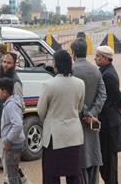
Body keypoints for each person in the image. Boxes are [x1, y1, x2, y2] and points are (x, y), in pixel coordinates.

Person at [38, 50, 85, 184]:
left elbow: (41, 111)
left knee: (51, 175)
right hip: (74, 135)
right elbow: (80, 108)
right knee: (74, 174)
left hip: (54, 137)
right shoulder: (80, 83)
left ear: (56, 65)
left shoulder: (48, 84)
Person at [71, 38, 107, 184]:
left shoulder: (71, 71)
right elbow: (102, 94)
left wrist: (86, 113)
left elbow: (74, 97)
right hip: (93, 124)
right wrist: (93, 113)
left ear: (73, 53)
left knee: (80, 161)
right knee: (93, 157)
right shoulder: (95, 71)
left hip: (77, 122)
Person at [94, 46, 121, 184]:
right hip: (107, 122)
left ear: (106, 59)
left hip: (109, 125)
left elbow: (119, 98)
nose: (95, 58)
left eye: (98, 56)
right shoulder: (104, 71)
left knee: (109, 165)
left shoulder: (108, 75)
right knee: (106, 163)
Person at [0, 77, 25, 184]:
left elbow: (18, 125)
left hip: (12, 146)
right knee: (13, 172)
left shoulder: (11, 105)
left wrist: (8, 140)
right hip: (15, 145)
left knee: (11, 176)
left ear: (4, 92)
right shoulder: (12, 102)